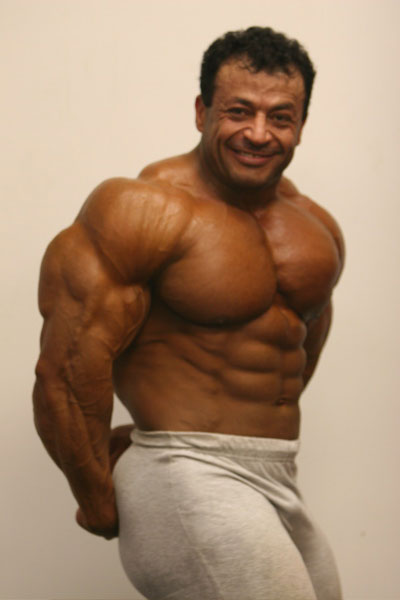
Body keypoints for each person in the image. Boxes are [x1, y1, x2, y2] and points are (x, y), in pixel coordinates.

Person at [33, 26, 344, 600]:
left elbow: (299, 347)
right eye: (239, 111)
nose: (259, 133)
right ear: (202, 112)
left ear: (301, 123)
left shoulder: (315, 226)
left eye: (280, 117)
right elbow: (65, 369)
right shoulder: (143, 208)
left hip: (277, 475)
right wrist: (95, 496)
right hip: (185, 476)